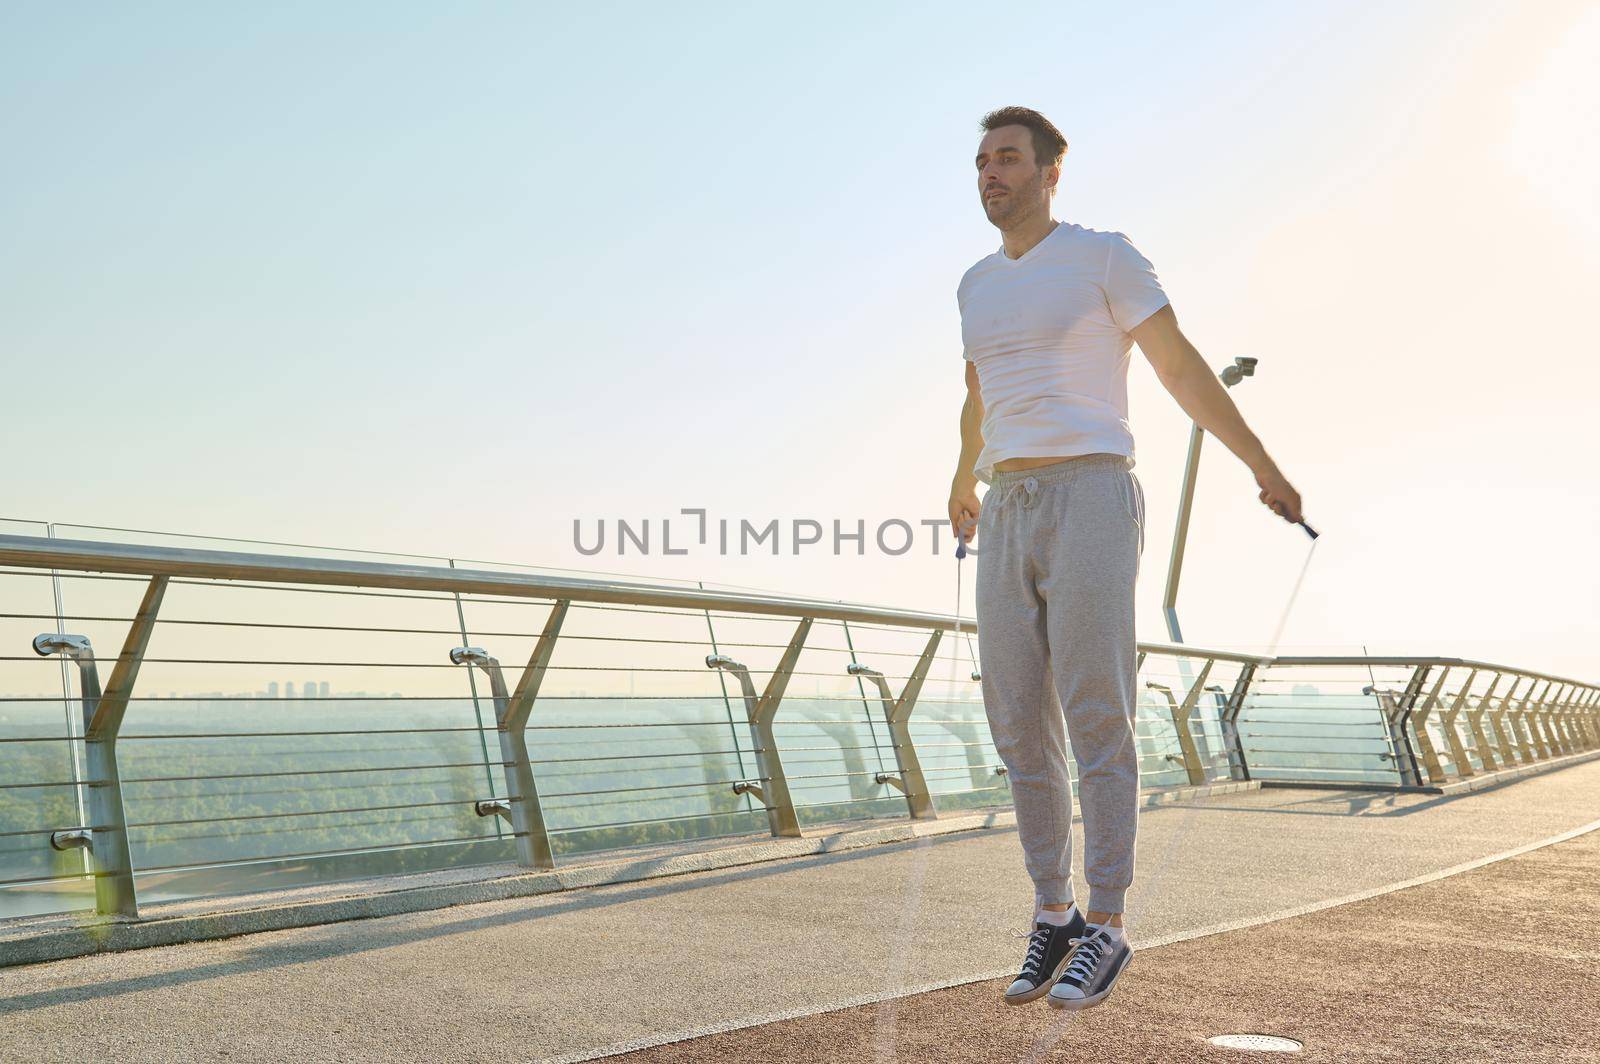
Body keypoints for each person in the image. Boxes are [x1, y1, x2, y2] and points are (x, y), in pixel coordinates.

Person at [946, 106, 1305, 1012]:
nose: (991, 173)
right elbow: (978, 393)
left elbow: (1180, 366)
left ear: (1051, 172)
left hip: (1093, 493)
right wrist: (961, 478)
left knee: (1095, 707)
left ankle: (1106, 920)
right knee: (1018, 720)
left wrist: (1260, 462)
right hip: (1009, 502)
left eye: (1009, 159)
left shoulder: (1105, 255)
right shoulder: (974, 285)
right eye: (982, 160)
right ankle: (1054, 913)